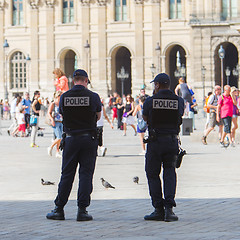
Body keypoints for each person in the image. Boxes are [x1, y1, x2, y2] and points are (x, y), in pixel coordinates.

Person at [46, 69, 101, 221]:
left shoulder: (65, 97)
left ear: (73, 80)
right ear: (86, 81)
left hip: (70, 139)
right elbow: (98, 116)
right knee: (86, 174)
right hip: (88, 139)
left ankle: (59, 209)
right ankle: (82, 210)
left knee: (67, 174)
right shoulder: (93, 96)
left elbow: (63, 114)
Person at [143, 73, 184, 222]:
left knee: (152, 174)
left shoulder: (150, 101)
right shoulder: (179, 101)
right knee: (170, 172)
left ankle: (158, 208)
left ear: (158, 85)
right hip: (172, 141)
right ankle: (169, 209)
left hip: (155, 142)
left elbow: (145, 118)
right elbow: (179, 118)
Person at [47, 91, 63, 158]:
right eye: (61, 96)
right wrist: (52, 119)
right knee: (59, 137)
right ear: (58, 96)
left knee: (60, 138)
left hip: (61, 122)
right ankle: (50, 147)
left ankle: (57, 152)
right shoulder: (53, 104)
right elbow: (49, 113)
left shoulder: (61, 103)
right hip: (55, 122)